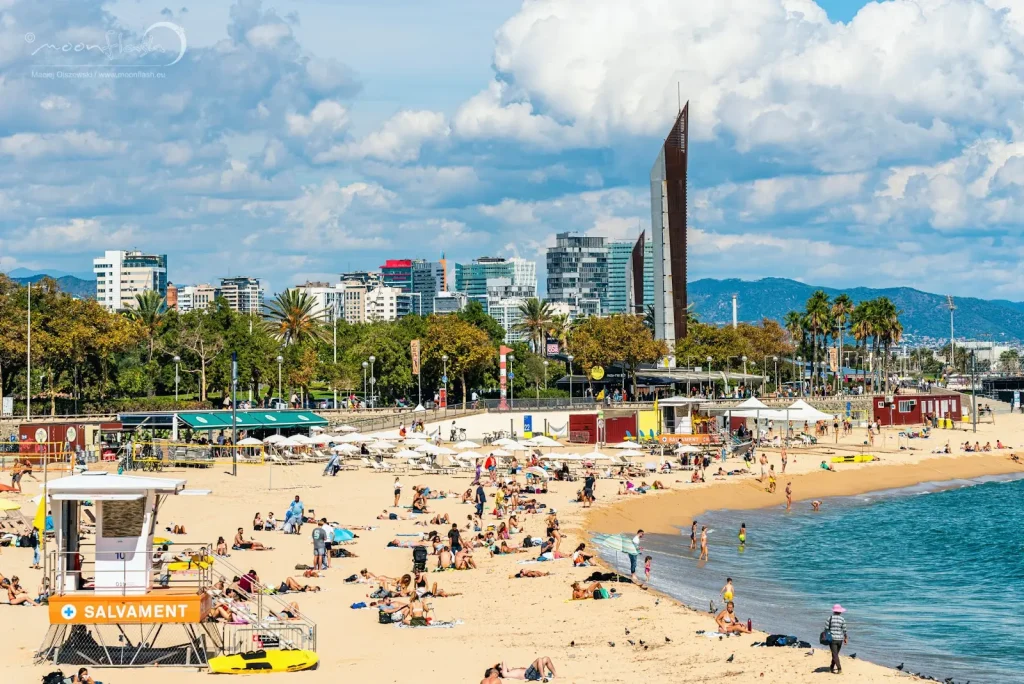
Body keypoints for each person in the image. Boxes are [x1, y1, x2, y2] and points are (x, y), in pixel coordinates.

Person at [487, 657, 557, 682]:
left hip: (531, 672)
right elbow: (504, 661)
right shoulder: (505, 674)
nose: (503, 666)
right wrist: (498, 666)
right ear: (501, 671)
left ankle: (556, 675)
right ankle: (543, 677)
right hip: (528, 674)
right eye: (501, 667)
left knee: (546, 658)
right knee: (539, 659)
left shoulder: (510, 671)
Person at [826, 604, 849, 674]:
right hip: (840, 639)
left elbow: (826, 629)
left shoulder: (829, 618)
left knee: (835, 654)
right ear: (840, 612)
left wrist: (827, 637)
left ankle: (839, 668)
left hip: (832, 639)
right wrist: (845, 638)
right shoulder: (842, 619)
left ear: (834, 611)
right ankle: (831, 667)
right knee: (835, 654)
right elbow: (844, 630)